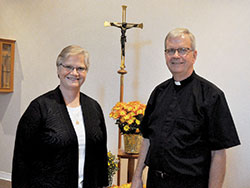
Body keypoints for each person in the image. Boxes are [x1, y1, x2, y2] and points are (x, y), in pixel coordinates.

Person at [131, 28, 240, 188]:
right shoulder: (158, 92)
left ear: (194, 55)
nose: (176, 56)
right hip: (156, 182)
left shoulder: (211, 96)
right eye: (170, 51)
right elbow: (147, 138)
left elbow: (218, 153)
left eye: (182, 50)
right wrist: (137, 176)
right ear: (165, 55)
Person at [12, 45, 109, 188]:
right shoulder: (40, 108)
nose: (74, 73)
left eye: (80, 68)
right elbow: (22, 159)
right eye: (68, 67)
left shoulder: (93, 108)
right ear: (58, 69)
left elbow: (101, 155)